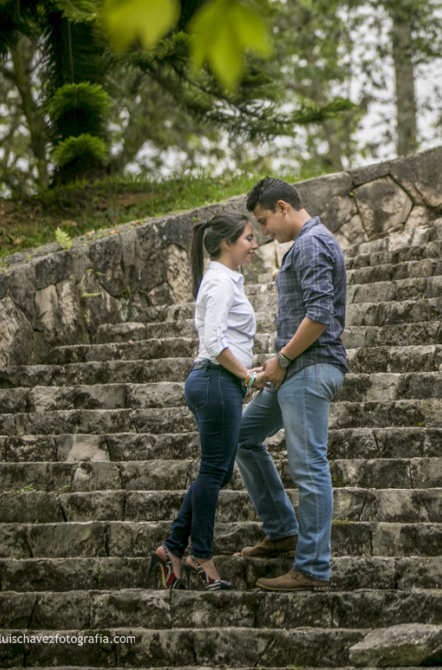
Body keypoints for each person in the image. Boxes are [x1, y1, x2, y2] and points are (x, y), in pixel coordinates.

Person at [234, 176, 348, 592]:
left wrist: (282, 358)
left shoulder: (312, 243)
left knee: (308, 466)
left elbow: (319, 315)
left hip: (309, 368)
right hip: (293, 368)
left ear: (282, 207)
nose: (264, 232)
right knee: (241, 435)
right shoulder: (304, 245)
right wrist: (278, 360)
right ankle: (283, 530)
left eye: (264, 221)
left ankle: (313, 568)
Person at [148, 211, 262, 591]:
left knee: (215, 470)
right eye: (248, 237)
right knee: (215, 471)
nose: (255, 244)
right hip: (216, 381)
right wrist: (245, 374)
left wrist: (246, 369)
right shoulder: (219, 283)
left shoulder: (224, 280)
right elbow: (214, 344)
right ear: (227, 243)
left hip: (217, 382)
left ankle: (173, 548)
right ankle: (202, 554)